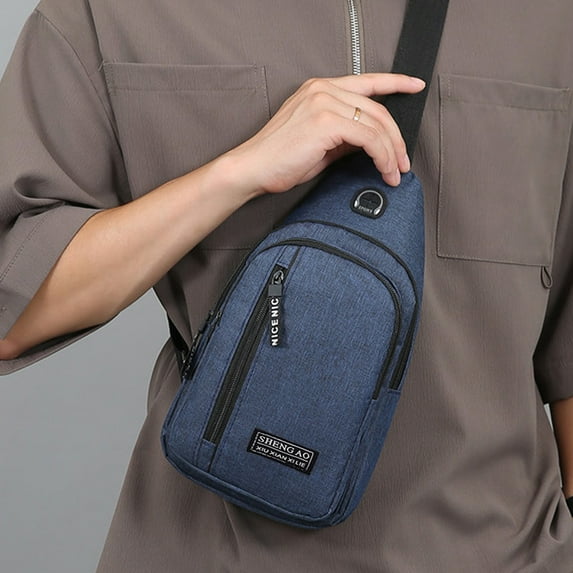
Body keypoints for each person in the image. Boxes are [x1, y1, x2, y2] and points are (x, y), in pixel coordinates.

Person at [1, 0, 572, 571]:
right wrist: (237, 173)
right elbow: (10, 302)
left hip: (506, 554)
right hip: (209, 553)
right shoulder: (110, 12)